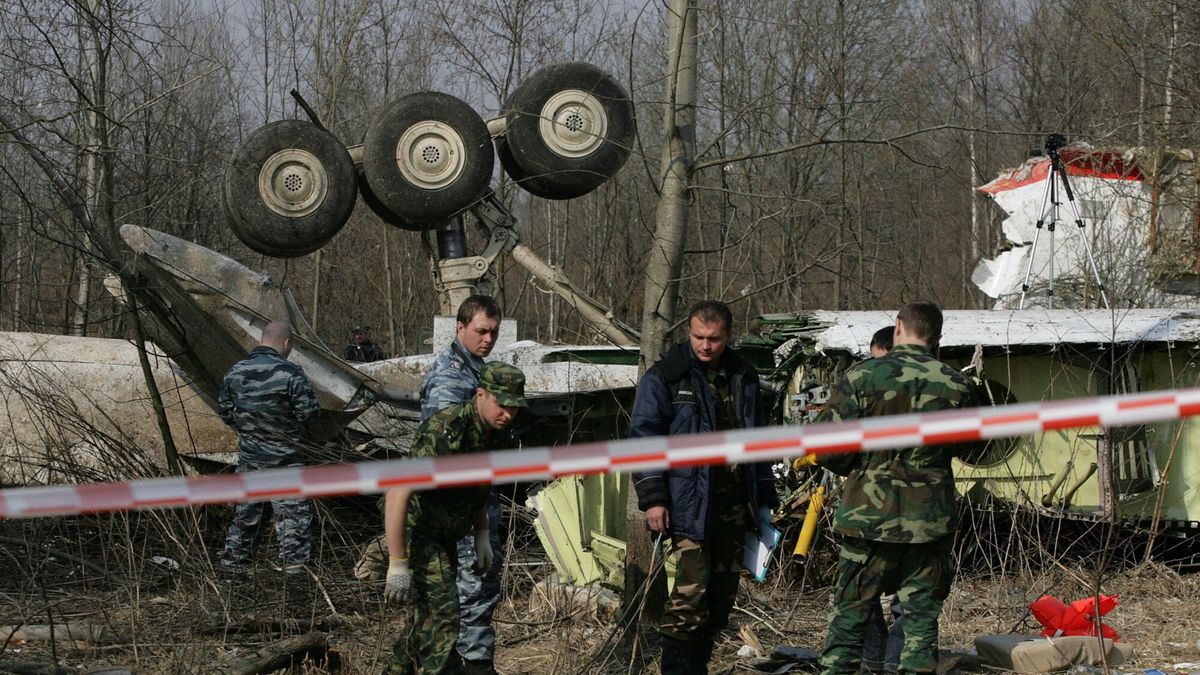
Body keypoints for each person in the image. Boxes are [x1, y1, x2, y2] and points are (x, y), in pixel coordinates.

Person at [815, 302, 977, 675]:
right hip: (929, 521)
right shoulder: (957, 384)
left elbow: (826, 448)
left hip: (867, 517)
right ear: (937, 336)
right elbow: (972, 448)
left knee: (849, 619)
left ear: (898, 327)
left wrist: (862, 466)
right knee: (920, 624)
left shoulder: (862, 377)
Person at [630, 300, 779, 674]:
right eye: (698, 336)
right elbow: (644, 438)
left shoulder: (742, 375)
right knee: (688, 601)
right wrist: (653, 499)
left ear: (728, 336)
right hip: (686, 504)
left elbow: (759, 440)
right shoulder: (668, 375)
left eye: (714, 338)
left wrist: (763, 499)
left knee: (720, 598)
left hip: (733, 506)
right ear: (689, 332)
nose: (705, 345)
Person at [383, 362, 527, 675]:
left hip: (447, 531)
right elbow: (397, 492)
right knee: (444, 613)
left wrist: (482, 534)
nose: (508, 414)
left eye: (515, 407)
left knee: (425, 616)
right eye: (502, 405)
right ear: (480, 395)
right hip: (420, 530)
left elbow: (476, 487)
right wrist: (397, 562)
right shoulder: (447, 431)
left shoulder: (494, 434)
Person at [420, 295, 503, 674]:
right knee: (472, 587)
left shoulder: (475, 370)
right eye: (481, 330)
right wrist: (476, 521)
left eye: (494, 332)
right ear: (460, 327)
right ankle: (474, 664)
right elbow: (448, 451)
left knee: (475, 586)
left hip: (474, 502)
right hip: (461, 505)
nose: (488, 338)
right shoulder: (452, 376)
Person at [218, 321, 320, 574]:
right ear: (287, 343)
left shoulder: (235, 372)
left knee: (245, 521)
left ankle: (232, 576)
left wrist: (252, 433)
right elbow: (309, 414)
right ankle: (294, 584)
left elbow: (225, 413)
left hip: (250, 461)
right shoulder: (290, 374)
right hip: (285, 464)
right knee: (293, 525)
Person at [861, 324, 902, 674]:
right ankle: (879, 662)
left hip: (901, 513)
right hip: (876, 510)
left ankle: (888, 664)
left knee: (904, 598)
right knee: (868, 593)